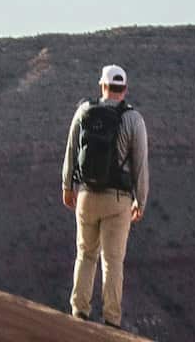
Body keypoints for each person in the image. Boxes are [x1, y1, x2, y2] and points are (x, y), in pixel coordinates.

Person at [61, 61, 149, 327]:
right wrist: (140, 201)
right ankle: (111, 320)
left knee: (85, 254)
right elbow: (140, 165)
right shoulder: (133, 119)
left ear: (102, 85)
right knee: (112, 261)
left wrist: (67, 186)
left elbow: (70, 151)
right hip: (118, 200)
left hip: (86, 195)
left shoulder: (84, 111)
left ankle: (79, 311)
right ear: (125, 89)